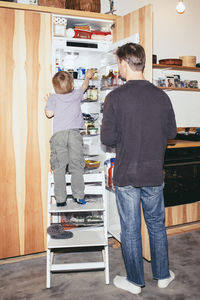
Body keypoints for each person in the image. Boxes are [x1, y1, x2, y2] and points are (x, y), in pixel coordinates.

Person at [101, 43, 177, 295]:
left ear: (124, 63)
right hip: (154, 173)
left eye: (118, 64)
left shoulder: (115, 98)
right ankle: (163, 275)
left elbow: (108, 140)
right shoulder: (162, 96)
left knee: (131, 228)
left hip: (127, 176)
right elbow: (171, 133)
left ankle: (135, 281)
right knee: (156, 225)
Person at [45, 69, 93, 207]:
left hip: (59, 135)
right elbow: (84, 87)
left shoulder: (53, 98)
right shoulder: (76, 94)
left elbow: (49, 114)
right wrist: (87, 77)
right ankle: (79, 196)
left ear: (55, 87)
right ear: (72, 85)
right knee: (76, 165)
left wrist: (47, 102)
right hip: (74, 134)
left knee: (59, 167)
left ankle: (60, 199)